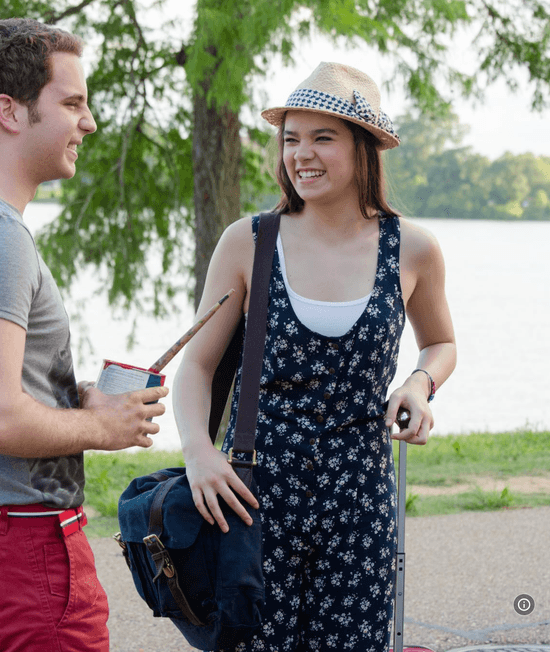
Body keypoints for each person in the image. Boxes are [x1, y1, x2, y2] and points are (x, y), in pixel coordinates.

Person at [0, 18, 168, 652]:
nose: (89, 123)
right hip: (14, 550)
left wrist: (78, 400)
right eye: (72, 103)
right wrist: (103, 429)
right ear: (8, 112)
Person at [173, 62, 457, 651]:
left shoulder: (414, 248)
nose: (302, 154)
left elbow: (441, 343)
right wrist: (199, 453)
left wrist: (419, 384)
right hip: (253, 496)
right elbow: (196, 365)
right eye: (291, 138)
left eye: (322, 137)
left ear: (364, 149)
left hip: (360, 500)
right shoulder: (249, 240)